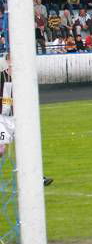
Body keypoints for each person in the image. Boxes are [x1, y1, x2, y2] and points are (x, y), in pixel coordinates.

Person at [0, 55, 52, 186]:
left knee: (27, 148)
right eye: (11, 60)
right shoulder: (1, 77)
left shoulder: (23, 78)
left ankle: (38, 177)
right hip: (3, 119)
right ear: (7, 61)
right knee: (2, 150)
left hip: (19, 119)